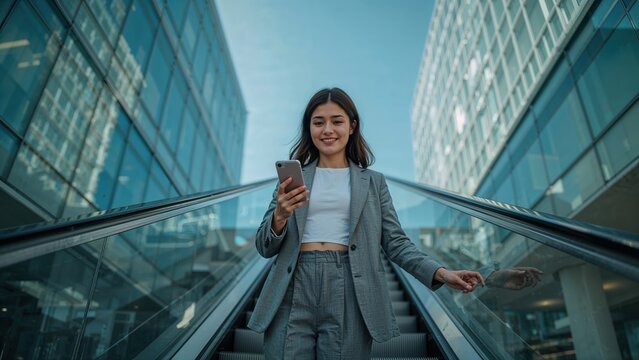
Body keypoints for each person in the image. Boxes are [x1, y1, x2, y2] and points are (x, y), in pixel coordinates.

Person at [247, 87, 485, 359]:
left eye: (337, 121)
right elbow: (264, 247)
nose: (327, 129)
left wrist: (441, 273)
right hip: (292, 285)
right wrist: (279, 217)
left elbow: (395, 243)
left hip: (350, 284)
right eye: (318, 122)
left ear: (352, 127)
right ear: (309, 129)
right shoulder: (291, 179)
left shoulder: (373, 183)